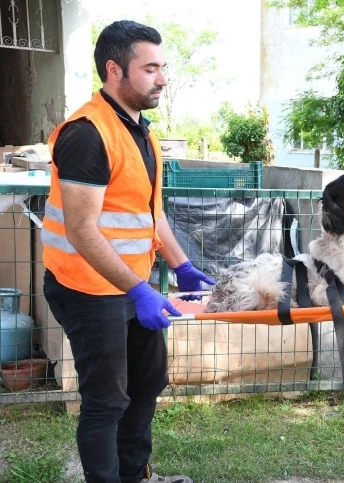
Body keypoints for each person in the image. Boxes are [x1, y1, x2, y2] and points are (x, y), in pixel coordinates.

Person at [41, 20, 215, 483]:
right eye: (150, 68)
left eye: (163, 67)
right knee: (106, 399)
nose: (162, 78)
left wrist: (182, 264)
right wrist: (139, 290)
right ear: (114, 70)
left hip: (130, 286)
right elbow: (80, 230)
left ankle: (135, 475)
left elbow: (149, 213)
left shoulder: (142, 131)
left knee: (146, 384)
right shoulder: (86, 134)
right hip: (86, 287)